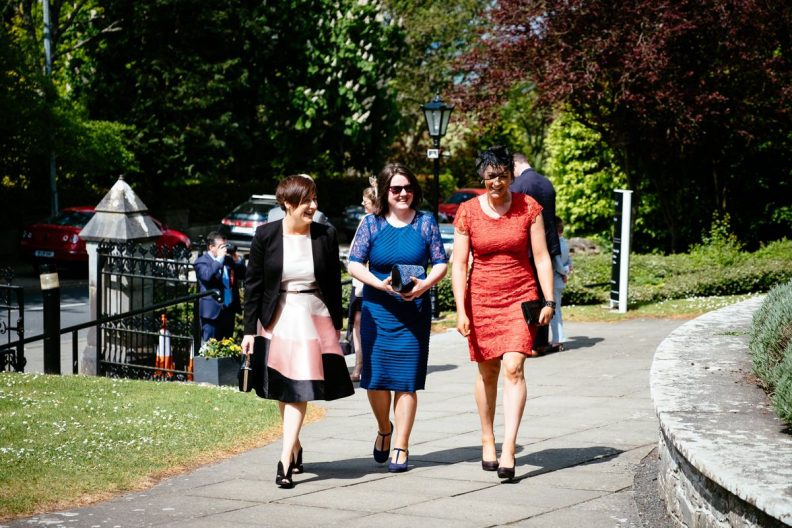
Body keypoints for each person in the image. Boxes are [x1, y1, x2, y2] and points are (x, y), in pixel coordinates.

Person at [241, 175, 354, 489]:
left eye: (315, 199)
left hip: (311, 315)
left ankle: (284, 459)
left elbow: (332, 280)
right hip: (277, 318)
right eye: (307, 201)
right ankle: (296, 444)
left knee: (299, 388)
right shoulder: (265, 235)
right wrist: (249, 330)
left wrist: (337, 322)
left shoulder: (325, 235)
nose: (314, 206)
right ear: (287, 204)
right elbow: (253, 285)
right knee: (283, 387)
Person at [451, 146, 555, 481]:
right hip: (481, 299)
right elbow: (459, 264)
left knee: (514, 367)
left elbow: (541, 257)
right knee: (488, 373)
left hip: (519, 297)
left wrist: (549, 301)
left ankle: (509, 448)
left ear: (512, 175)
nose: (497, 181)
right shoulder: (467, 212)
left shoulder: (529, 208)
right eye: (491, 175)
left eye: (503, 175)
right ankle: (487, 437)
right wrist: (459, 309)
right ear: (482, 177)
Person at [347, 163, 448, 473]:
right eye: (396, 189)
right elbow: (353, 263)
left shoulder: (426, 223)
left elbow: (441, 263)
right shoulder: (371, 225)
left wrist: (424, 286)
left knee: (407, 382)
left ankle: (402, 446)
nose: (403, 193)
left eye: (408, 188)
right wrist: (378, 284)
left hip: (414, 312)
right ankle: (384, 429)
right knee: (375, 381)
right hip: (378, 310)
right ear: (385, 192)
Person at [510, 153, 564, 356]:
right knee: (543, 293)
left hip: (528, 247)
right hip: (548, 245)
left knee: (528, 292)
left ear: (515, 165)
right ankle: (541, 341)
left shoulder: (520, 185)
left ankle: (528, 340)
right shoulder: (547, 183)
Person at [348, 186, 378, 382]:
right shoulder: (364, 221)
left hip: (372, 282)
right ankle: (359, 363)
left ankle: (370, 363)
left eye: (365, 200)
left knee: (370, 323)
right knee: (357, 322)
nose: (362, 204)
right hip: (359, 282)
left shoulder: (377, 221)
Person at [195, 233, 246, 343]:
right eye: (221, 246)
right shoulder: (202, 261)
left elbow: (243, 274)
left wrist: (236, 258)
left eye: (225, 246)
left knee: (227, 348)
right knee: (210, 350)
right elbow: (207, 276)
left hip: (228, 311)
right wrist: (218, 260)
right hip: (212, 313)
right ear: (211, 247)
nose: (224, 249)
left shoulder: (228, 260)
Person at [550, 216, 572, 351]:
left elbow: (557, 263)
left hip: (555, 279)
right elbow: (569, 261)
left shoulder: (556, 244)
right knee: (557, 310)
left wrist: (563, 272)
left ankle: (558, 339)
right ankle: (559, 338)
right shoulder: (564, 242)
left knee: (554, 311)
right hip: (560, 279)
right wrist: (566, 272)